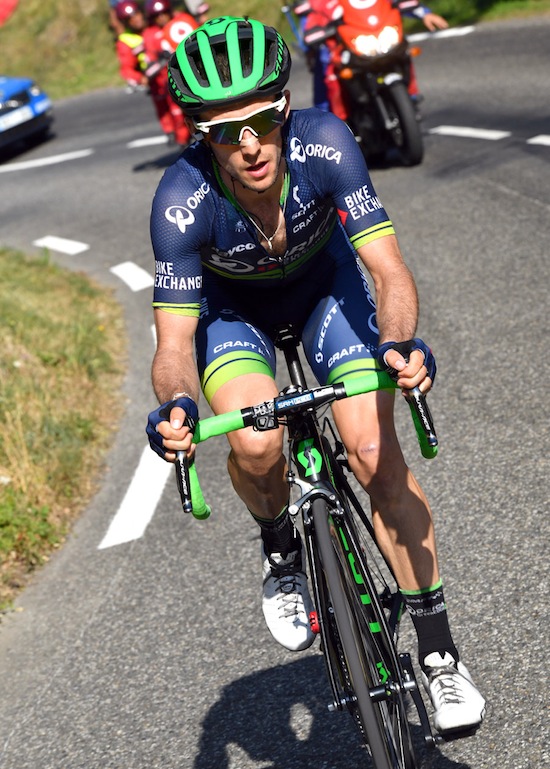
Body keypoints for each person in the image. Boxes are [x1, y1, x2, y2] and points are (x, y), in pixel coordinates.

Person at [145, 16, 485, 735]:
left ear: (285, 112)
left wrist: (399, 345)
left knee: (371, 452)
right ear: (200, 138)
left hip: (326, 288)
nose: (248, 145)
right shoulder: (180, 200)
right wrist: (175, 404)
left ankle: (440, 655)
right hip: (232, 310)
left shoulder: (327, 143)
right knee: (257, 443)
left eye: (263, 121)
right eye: (223, 131)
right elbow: (174, 343)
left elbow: (387, 270)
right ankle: (279, 545)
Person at [299, 0, 448, 113]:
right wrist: (313, 36)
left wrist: (424, 13)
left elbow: (400, 2)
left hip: (377, 37)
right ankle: (331, 123)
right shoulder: (325, 4)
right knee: (326, 67)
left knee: (403, 50)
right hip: (344, 47)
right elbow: (312, 18)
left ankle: (411, 95)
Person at [142, 0, 197, 145]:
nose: (161, 18)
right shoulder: (150, 35)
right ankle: (184, 146)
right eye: (157, 15)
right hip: (172, 82)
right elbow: (149, 64)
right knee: (179, 117)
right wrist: (159, 62)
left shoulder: (183, 21)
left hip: (195, 75)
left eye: (164, 13)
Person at [114, 0, 148, 89]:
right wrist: (141, 78)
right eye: (130, 18)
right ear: (125, 23)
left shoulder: (155, 24)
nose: (136, 19)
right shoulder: (125, 41)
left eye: (136, 14)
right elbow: (127, 69)